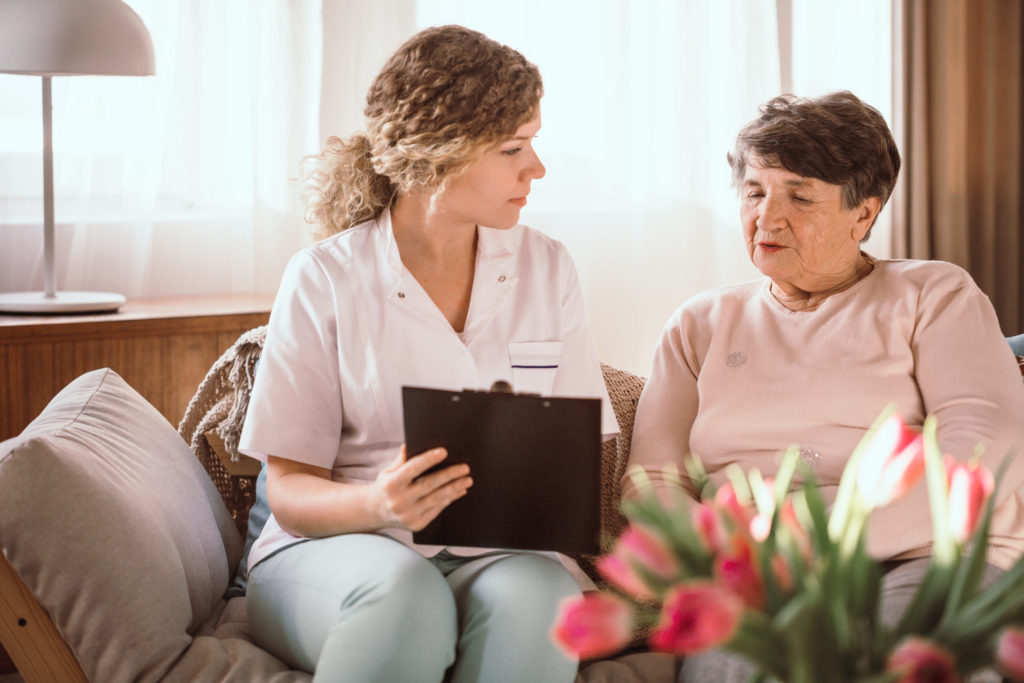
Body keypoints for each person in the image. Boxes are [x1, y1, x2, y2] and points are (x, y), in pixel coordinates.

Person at [238, 25, 617, 683]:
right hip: (335, 546)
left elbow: (574, 453)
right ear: (441, 155)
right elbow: (292, 489)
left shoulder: (547, 266)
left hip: (494, 553)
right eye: (513, 148)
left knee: (542, 600)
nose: (537, 167)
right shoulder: (324, 276)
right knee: (404, 597)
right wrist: (379, 505)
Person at [626, 91, 1024, 681]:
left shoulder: (933, 295)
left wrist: (805, 538)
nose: (767, 217)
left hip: (925, 556)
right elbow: (652, 481)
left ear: (864, 212)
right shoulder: (701, 323)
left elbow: (982, 452)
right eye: (755, 191)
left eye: (800, 196)